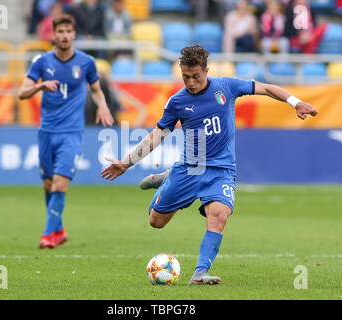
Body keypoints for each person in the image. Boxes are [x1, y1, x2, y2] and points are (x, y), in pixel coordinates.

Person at [101, 45, 318, 285]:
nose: (191, 82)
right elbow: (157, 135)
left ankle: (200, 273)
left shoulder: (226, 87)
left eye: (196, 76)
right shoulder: (177, 102)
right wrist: (126, 163)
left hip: (222, 170)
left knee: (219, 214)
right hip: (189, 170)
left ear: (206, 70)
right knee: (156, 222)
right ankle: (167, 179)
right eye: (186, 77)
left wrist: (295, 102)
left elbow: (265, 88)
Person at [18, 14, 114, 249]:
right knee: (48, 185)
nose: (64, 36)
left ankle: (47, 235)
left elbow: (96, 89)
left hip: (71, 132)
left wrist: (101, 104)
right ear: (54, 34)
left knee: (60, 184)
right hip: (46, 131)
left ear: (74, 34)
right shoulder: (41, 62)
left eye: (68, 31)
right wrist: (40, 85)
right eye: (60, 32)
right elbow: (22, 92)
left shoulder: (86, 62)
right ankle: (59, 230)